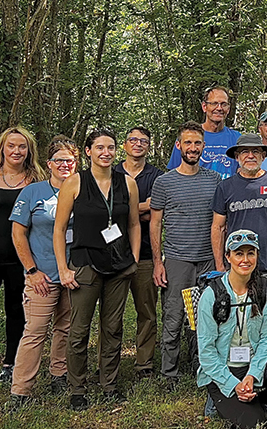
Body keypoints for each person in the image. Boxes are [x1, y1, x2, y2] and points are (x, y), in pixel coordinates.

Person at [54, 128, 141, 410]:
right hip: (85, 265)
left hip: (119, 267)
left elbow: (134, 224)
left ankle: (109, 384)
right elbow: (58, 229)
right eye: (100, 147)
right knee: (79, 331)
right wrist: (63, 269)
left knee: (113, 328)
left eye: (111, 147)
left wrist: (135, 261)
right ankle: (78, 388)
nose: (106, 153)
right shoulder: (75, 182)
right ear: (88, 151)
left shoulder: (127, 183)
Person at [197, 230, 267, 429]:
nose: (245, 260)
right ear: (228, 257)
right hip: (223, 368)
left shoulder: (266, 289)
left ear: (257, 255)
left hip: (254, 362)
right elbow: (206, 352)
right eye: (239, 254)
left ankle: (260, 398)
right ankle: (219, 398)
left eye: (251, 253)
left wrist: (252, 375)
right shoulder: (211, 295)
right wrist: (233, 384)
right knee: (255, 424)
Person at [8, 136, 78, 408]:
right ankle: (21, 389)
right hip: (43, 276)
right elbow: (18, 233)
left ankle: (59, 373)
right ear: (49, 164)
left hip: (73, 275)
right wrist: (32, 270)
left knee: (66, 328)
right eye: (59, 160)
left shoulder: (82, 190)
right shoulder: (33, 192)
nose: (65, 165)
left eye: (70, 161)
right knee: (35, 331)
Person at [211, 134, 267, 355]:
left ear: (262, 155)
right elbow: (218, 227)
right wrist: (221, 265)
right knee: (243, 324)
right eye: (245, 152)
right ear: (237, 156)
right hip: (239, 269)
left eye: (256, 152)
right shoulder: (225, 188)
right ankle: (247, 373)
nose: (250, 156)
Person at [150, 122, 222, 382]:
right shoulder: (164, 182)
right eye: (188, 143)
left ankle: (201, 366)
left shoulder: (214, 180)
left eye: (198, 143)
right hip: (178, 260)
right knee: (174, 316)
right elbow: (155, 223)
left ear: (204, 147)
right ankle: (169, 372)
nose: (193, 148)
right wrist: (159, 262)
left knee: (204, 318)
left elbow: (220, 221)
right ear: (179, 145)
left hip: (208, 260)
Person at [0, 127, 46, 385]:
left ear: (29, 150)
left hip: (23, 260)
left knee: (17, 313)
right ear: (2, 148)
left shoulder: (38, 181)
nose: (16, 151)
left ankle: (10, 365)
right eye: (11, 146)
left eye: (22, 146)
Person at [114, 126, 163, 376]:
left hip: (145, 253)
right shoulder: (111, 173)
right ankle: (109, 361)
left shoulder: (157, 176)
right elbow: (110, 210)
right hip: (112, 255)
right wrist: (139, 209)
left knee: (147, 312)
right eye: (133, 140)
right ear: (124, 145)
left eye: (144, 140)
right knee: (112, 314)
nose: (138, 144)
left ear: (149, 146)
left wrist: (126, 210)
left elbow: (158, 211)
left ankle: (144, 362)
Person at [168, 86, 241, 179]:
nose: (219, 108)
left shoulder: (237, 138)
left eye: (223, 104)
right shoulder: (189, 137)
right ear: (204, 107)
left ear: (228, 109)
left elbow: (243, 174)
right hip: (197, 191)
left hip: (227, 192)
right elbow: (174, 174)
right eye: (214, 103)